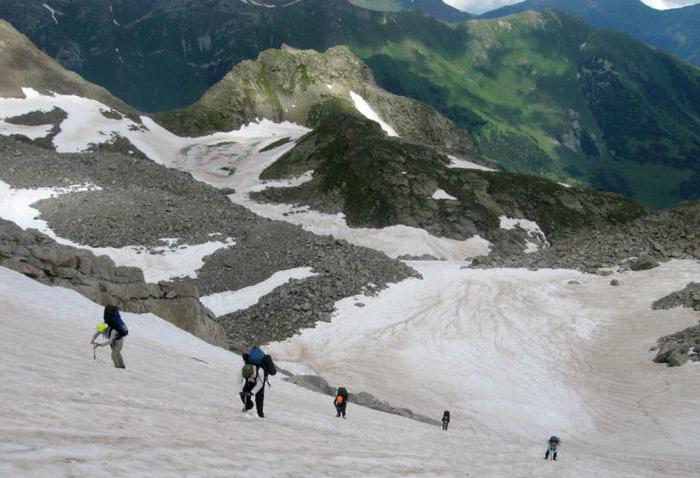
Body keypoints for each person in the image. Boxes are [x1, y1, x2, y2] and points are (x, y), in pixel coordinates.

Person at [239, 347, 276, 418]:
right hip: (251, 378)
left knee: (259, 396)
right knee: (243, 392)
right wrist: (240, 391)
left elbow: (260, 385)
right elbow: (238, 381)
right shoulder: (244, 369)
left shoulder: (261, 371)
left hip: (260, 380)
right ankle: (248, 405)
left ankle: (260, 414)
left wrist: (251, 392)